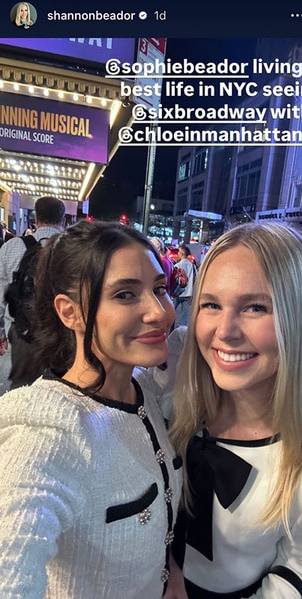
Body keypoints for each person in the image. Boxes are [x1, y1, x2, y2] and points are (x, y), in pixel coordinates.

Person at [163, 222, 302, 599]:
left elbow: (299, 574)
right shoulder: (173, 401)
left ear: (299, 320)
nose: (225, 330)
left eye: (256, 307)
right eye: (211, 304)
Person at [0, 219, 182, 598]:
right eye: (125, 295)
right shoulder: (48, 431)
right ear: (70, 313)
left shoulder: (141, 389)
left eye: (160, 289)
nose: (160, 312)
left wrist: (171, 574)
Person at [0, 195, 66, 388]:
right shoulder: (74, 249)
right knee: (60, 390)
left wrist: (1, 335)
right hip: (62, 336)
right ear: (62, 220)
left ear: (36, 218)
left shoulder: (12, 246)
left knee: (22, 390)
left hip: (23, 334)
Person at [173, 244, 197, 328]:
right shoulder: (193, 267)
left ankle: (171, 331)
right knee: (185, 318)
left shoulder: (177, 266)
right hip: (188, 294)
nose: (178, 254)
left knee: (171, 313)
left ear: (182, 254)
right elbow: (195, 281)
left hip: (177, 294)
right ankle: (182, 335)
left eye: (179, 252)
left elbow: (173, 281)